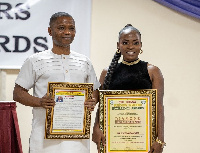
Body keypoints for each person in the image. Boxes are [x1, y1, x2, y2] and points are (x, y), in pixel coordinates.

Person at [13, 12, 100, 153]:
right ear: (50, 31)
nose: (67, 32)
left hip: (77, 140)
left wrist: (93, 100)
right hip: (44, 140)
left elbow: (94, 91)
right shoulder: (35, 60)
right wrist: (40, 102)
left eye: (71, 28)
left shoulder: (84, 61)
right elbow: (18, 93)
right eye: (61, 28)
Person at [92, 24, 165, 153]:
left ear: (140, 45)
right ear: (118, 45)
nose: (130, 47)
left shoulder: (152, 71)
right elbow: (102, 105)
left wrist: (160, 140)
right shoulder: (107, 72)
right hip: (113, 139)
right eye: (125, 42)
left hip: (143, 140)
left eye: (135, 43)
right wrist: (96, 127)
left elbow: (158, 107)